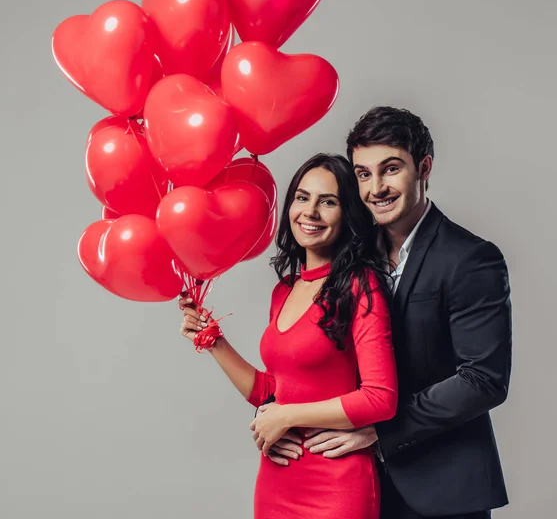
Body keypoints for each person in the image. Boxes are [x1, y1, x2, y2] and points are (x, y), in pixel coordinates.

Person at [265, 107, 512, 519]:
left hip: (442, 487)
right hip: (350, 484)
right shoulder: (351, 252)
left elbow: (483, 380)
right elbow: (308, 353)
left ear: (424, 167)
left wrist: (380, 430)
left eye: (390, 169)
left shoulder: (470, 259)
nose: (375, 188)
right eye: (363, 174)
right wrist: (272, 410)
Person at [179, 153, 398, 519]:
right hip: (277, 479)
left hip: (338, 482)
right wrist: (213, 340)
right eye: (302, 197)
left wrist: (284, 417)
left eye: (327, 202)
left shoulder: (361, 284)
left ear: (348, 215)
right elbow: (274, 391)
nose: (310, 212)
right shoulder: (283, 291)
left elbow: (380, 398)